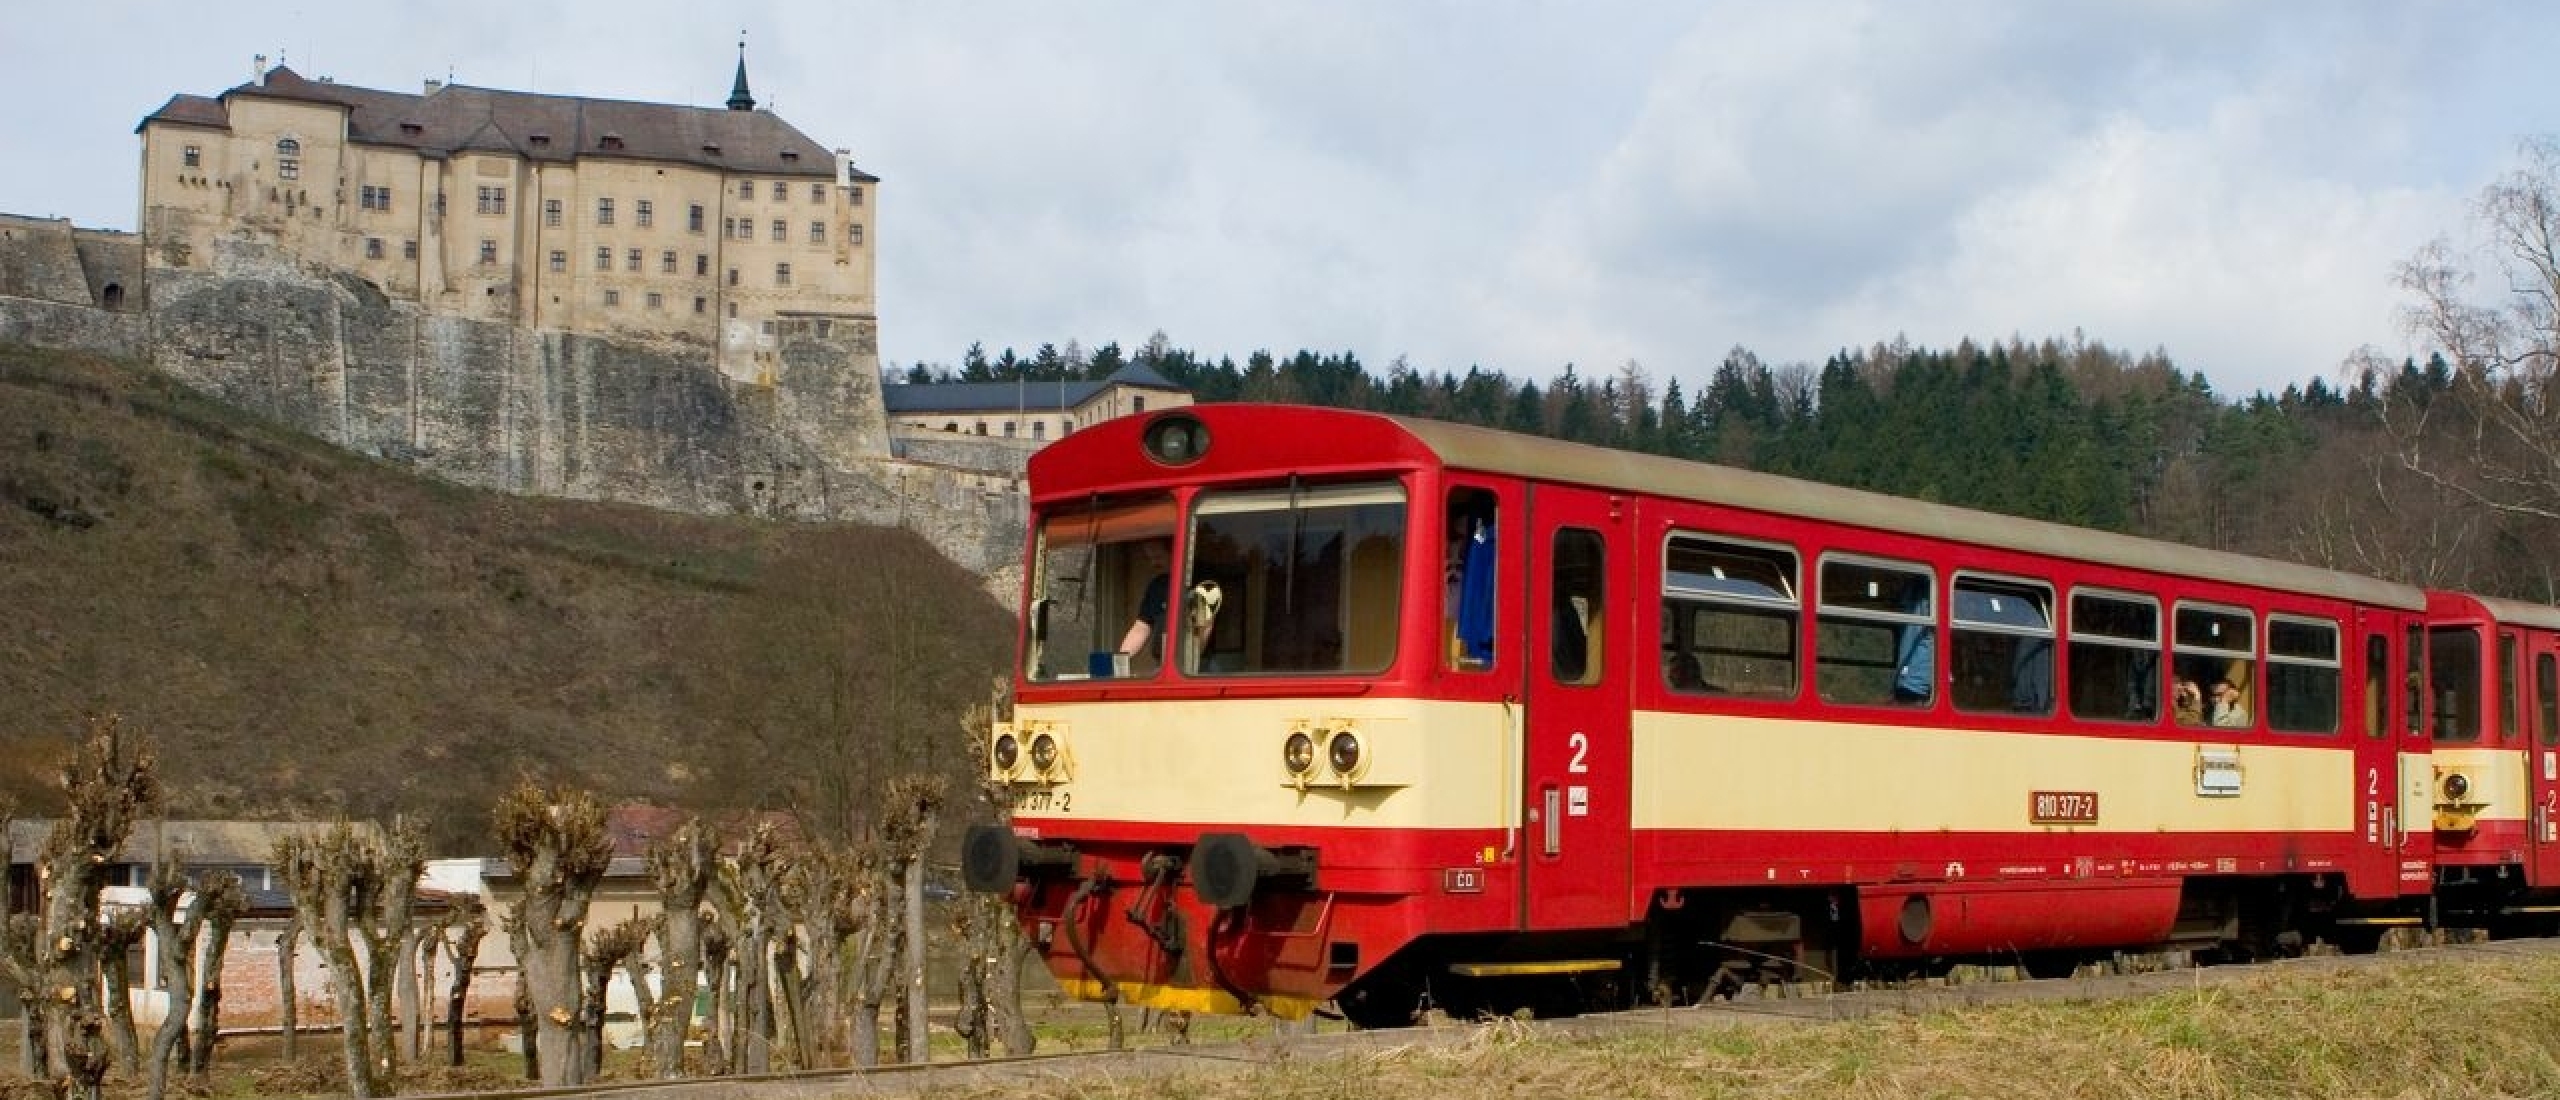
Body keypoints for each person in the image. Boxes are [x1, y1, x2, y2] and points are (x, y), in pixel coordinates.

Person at [1117, 539, 1171, 661]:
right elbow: (1141, 627)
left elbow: (1204, 628)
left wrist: (1188, 663)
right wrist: (1121, 661)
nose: (1153, 563)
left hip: (1197, 670)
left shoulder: (1199, 583)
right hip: (1163, 663)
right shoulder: (1158, 585)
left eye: (1158, 557)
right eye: (1149, 558)